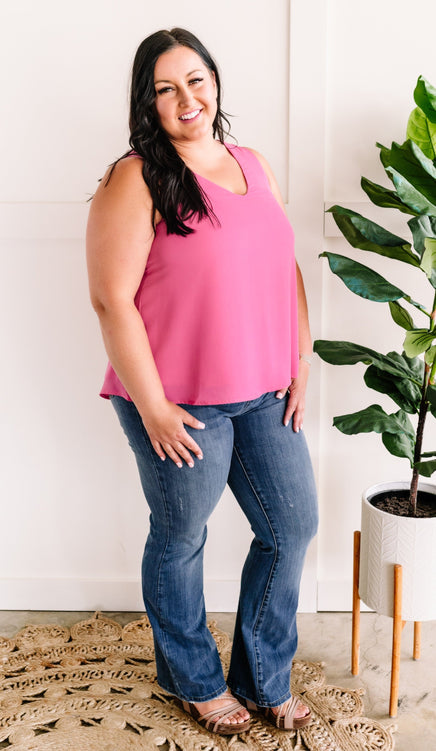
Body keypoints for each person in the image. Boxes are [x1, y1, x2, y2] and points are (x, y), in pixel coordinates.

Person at [86, 27, 318, 737]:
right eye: (165, 87)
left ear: (214, 82)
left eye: (195, 79)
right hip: (180, 401)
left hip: (264, 389)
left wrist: (299, 360)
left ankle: (261, 678)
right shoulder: (137, 176)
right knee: (182, 536)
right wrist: (152, 405)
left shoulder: (253, 163)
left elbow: (285, 267)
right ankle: (192, 677)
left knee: (292, 526)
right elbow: (111, 298)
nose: (185, 97)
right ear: (146, 102)